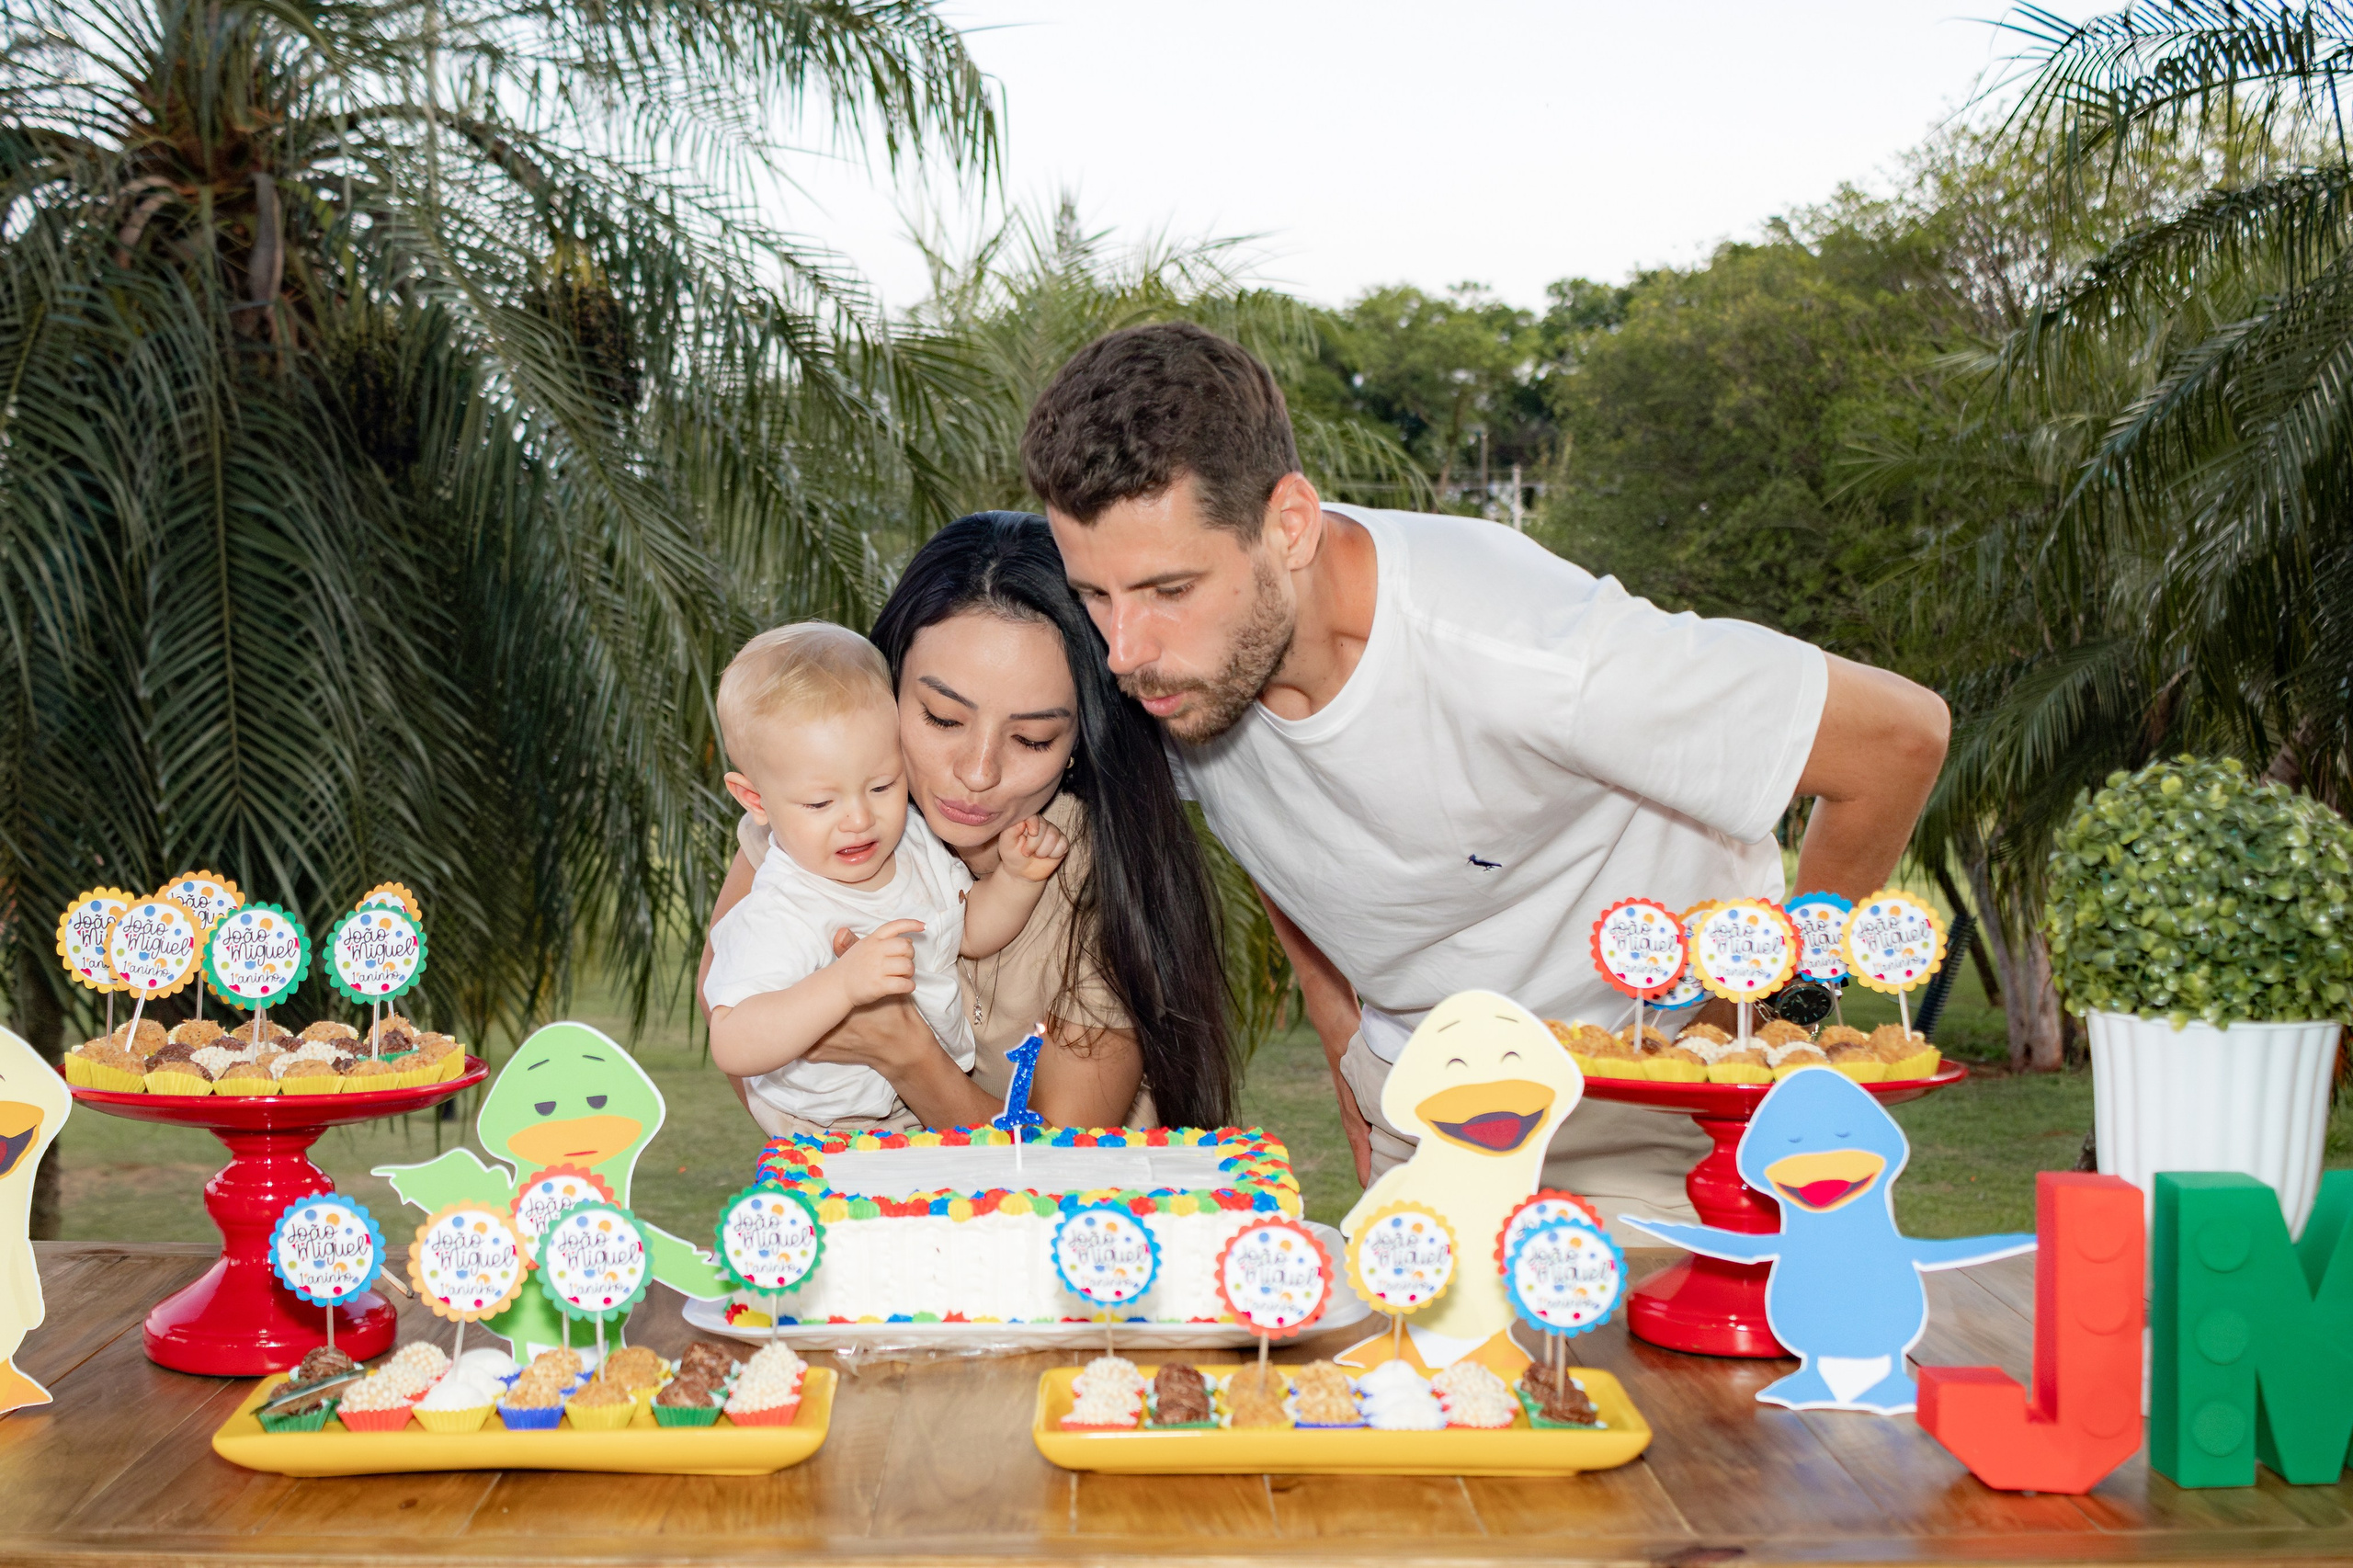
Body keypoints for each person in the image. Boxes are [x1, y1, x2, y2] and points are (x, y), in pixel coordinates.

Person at [1020, 323, 1949, 1234]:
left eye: (1168, 590)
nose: (1121, 649)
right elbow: (1276, 818)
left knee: (1670, 1393)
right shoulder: (1187, 666)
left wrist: (1755, 1033)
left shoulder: (1525, 644)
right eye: (1094, 593)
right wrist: (1344, 1035)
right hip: (1419, 1099)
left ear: (1289, 525)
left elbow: (1898, 742)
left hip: (1651, 1108)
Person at [699, 513, 1236, 1132]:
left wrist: (903, 1053)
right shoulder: (813, 818)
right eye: (943, 719)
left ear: (1080, 742)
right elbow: (725, 1004)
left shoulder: (1100, 879)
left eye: (1032, 738)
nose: (977, 773)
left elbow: (1063, 1156)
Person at [702, 621, 1070, 1137]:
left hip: (911, 1108)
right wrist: (842, 985)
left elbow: (968, 932)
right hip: (825, 1122)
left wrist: (1019, 879)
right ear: (755, 801)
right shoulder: (782, 909)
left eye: (881, 785)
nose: (858, 819)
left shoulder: (914, 846)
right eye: (820, 802)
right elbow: (733, 1041)